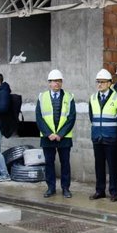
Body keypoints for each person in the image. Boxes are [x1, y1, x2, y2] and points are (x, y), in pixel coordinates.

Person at [36, 69, 76, 198]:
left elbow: (71, 118)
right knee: (49, 163)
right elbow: (39, 118)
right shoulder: (42, 97)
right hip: (48, 138)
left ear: (62, 82)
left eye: (58, 81)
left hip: (63, 138)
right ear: (49, 83)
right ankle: (51, 188)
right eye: (53, 81)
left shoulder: (69, 97)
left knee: (65, 164)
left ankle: (65, 188)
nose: (56, 83)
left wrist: (60, 134)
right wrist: (49, 134)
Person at [89, 69, 117, 202]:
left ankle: (114, 192)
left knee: (113, 166)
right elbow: (92, 116)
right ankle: (100, 190)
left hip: (111, 137)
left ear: (109, 83)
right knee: (99, 165)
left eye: (102, 82)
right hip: (97, 137)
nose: (100, 84)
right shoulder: (92, 98)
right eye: (98, 82)